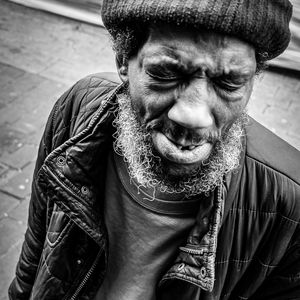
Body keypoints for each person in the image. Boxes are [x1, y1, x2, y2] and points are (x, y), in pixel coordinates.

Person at [9, 0, 300, 299]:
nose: (193, 116)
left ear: (252, 81)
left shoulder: (289, 206)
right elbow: (36, 248)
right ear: (124, 60)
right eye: (165, 73)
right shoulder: (79, 106)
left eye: (228, 82)